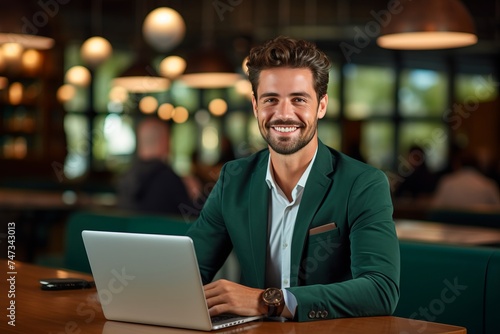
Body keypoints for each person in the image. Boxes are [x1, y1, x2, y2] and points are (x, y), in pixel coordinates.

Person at [186, 36, 400, 321]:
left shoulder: (363, 183)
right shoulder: (233, 178)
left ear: (321, 106)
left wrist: (268, 301)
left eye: (299, 99)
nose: (284, 113)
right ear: (255, 106)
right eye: (271, 99)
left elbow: (381, 290)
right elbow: (190, 271)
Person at [116, 117, 193, 216]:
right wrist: (195, 196)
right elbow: (192, 220)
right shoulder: (169, 179)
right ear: (165, 141)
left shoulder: (126, 177)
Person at [432, 151, 500, 209]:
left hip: (452, 223)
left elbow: (436, 207)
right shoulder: (488, 184)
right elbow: (497, 208)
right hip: (480, 223)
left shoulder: (447, 182)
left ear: (457, 164)